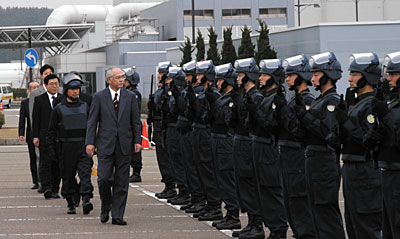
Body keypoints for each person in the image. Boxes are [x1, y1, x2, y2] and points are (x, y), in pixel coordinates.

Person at [294, 52, 346, 238]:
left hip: (324, 160)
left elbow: (327, 132)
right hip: (314, 160)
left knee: (325, 211)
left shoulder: (332, 101)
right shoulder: (320, 100)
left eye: (316, 74)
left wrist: (305, 117)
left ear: (328, 75)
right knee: (315, 210)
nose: (313, 78)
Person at [85, 67, 142, 226]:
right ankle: (105, 206)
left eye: (123, 77)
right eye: (118, 77)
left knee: (122, 182)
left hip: (124, 145)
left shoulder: (130, 97)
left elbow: (135, 122)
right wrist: (90, 142)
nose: (122, 80)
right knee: (104, 178)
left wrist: (137, 141)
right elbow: (92, 121)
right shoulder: (99, 97)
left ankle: (117, 215)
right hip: (105, 144)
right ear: (109, 80)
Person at [336, 52, 383, 239]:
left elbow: (368, 140)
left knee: (366, 224)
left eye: (355, 74)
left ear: (367, 77)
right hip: (350, 168)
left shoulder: (372, 105)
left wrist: (346, 121)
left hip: (365, 169)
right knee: (353, 224)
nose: (349, 79)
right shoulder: (357, 104)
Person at [275, 56, 316, 239]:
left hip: (297, 156)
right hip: (287, 156)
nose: (288, 79)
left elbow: (299, 131)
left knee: (299, 200)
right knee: (290, 200)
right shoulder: (294, 100)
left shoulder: (307, 100)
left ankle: (305, 234)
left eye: (291, 75)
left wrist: (284, 113)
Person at [247, 58, 288, 239]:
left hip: (268, 147)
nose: (261, 78)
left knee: (271, 189)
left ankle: (278, 229)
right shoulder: (268, 97)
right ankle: (272, 227)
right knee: (263, 189)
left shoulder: (275, 99)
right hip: (260, 146)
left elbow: (270, 125)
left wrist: (256, 111)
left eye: (265, 75)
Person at [364, 51, 400, 238]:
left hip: (397, 174)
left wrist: (385, 115)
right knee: (387, 230)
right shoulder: (392, 103)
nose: (389, 78)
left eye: (394, 74)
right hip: (386, 171)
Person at [47, 73, 94, 215]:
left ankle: (86, 200)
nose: (75, 91)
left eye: (78, 89)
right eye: (73, 89)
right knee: (68, 176)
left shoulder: (86, 106)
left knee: (85, 174)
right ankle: (71, 202)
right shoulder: (58, 109)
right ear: (66, 90)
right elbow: (51, 132)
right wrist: (52, 151)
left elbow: (92, 127)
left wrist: (93, 144)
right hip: (65, 148)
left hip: (83, 146)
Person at [231, 58, 264, 239]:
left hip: (248, 144)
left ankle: (257, 225)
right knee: (243, 186)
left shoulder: (256, 97)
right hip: (240, 142)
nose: (238, 78)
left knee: (250, 185)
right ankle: (251, 222)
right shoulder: (244, 96)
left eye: (241, 75)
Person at [188, 60, 223, 221]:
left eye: (201, 74)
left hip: (206, 135)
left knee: (208, 170)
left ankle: (215, 205)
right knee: (200, 169)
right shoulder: (202, 93)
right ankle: (209, 203)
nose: (198, 77)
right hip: (198, 133)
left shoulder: (213, 94)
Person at [208, 63, 241, 230]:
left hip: (225, 141)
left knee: (227, 178)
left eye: (220, 80)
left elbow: (228, 121)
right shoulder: (222, 98)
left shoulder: (232, 100)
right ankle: (229, 212)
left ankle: (233, 214)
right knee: (220, 178)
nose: (217, 83)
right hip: (217, 140)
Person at [179, 60, 206, 213]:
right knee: (189, 166)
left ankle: (200, 198)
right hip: (189, 131)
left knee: (196, 168)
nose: (187, 79)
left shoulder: (200, 91)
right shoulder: (190, 90)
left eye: (189, 76)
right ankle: (195, 197)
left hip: (195, 132)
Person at [148, 61, 177, 199]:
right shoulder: (161, 89)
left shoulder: (168, 91)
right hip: (158, 126)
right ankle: (168, 184)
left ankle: (171, 185)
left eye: (161, 73)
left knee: (166, 158)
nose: (158, 75)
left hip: (164, 126)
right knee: (162, 157)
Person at [32, 74, 62, 199]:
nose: (54, 86)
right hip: (44, 136)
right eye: (52, 84)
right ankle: (46, 187)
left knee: (58, 163)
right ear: (45, 85)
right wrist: (35, 136)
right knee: (45, 162)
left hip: (60, 136)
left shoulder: (62, 99)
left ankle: (55, 189)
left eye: (56, 84)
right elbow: (36, 119)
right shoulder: (39, 100)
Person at [164, 67, 191, 206]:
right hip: (171, 128)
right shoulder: (172, 94)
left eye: (170, 79)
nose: (167, 81)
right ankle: (181, 190)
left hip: (178, 130)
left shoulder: (182, 94)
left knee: (180, 161)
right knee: (174, 160)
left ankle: (185, 191)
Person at [29, 64, 53, 193]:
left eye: (50, 73)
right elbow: (33, 115)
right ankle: (41, 182)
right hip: (42, 132)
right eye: (46, 73)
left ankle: (53, 183)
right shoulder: (35, 93)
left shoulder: (59, 91)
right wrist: (35, 134)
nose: (48, 75)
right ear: (41, 76)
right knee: (41, 158)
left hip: (55, 133)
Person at [19, 81, 40, 190]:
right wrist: (21, 133)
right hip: (31, 134)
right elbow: (22, 119)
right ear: (29, 90)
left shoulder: (44, 101)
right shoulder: (25, 103)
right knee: (33, 158)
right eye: (33, 88)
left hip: (43, 134)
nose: (35, 89)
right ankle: (36, 181)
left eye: (37, 87)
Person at [124, 68, 143, 183]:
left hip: (133, 124)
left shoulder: (134, 94)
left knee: (135, 150)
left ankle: (136, 172)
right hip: (127, 124)